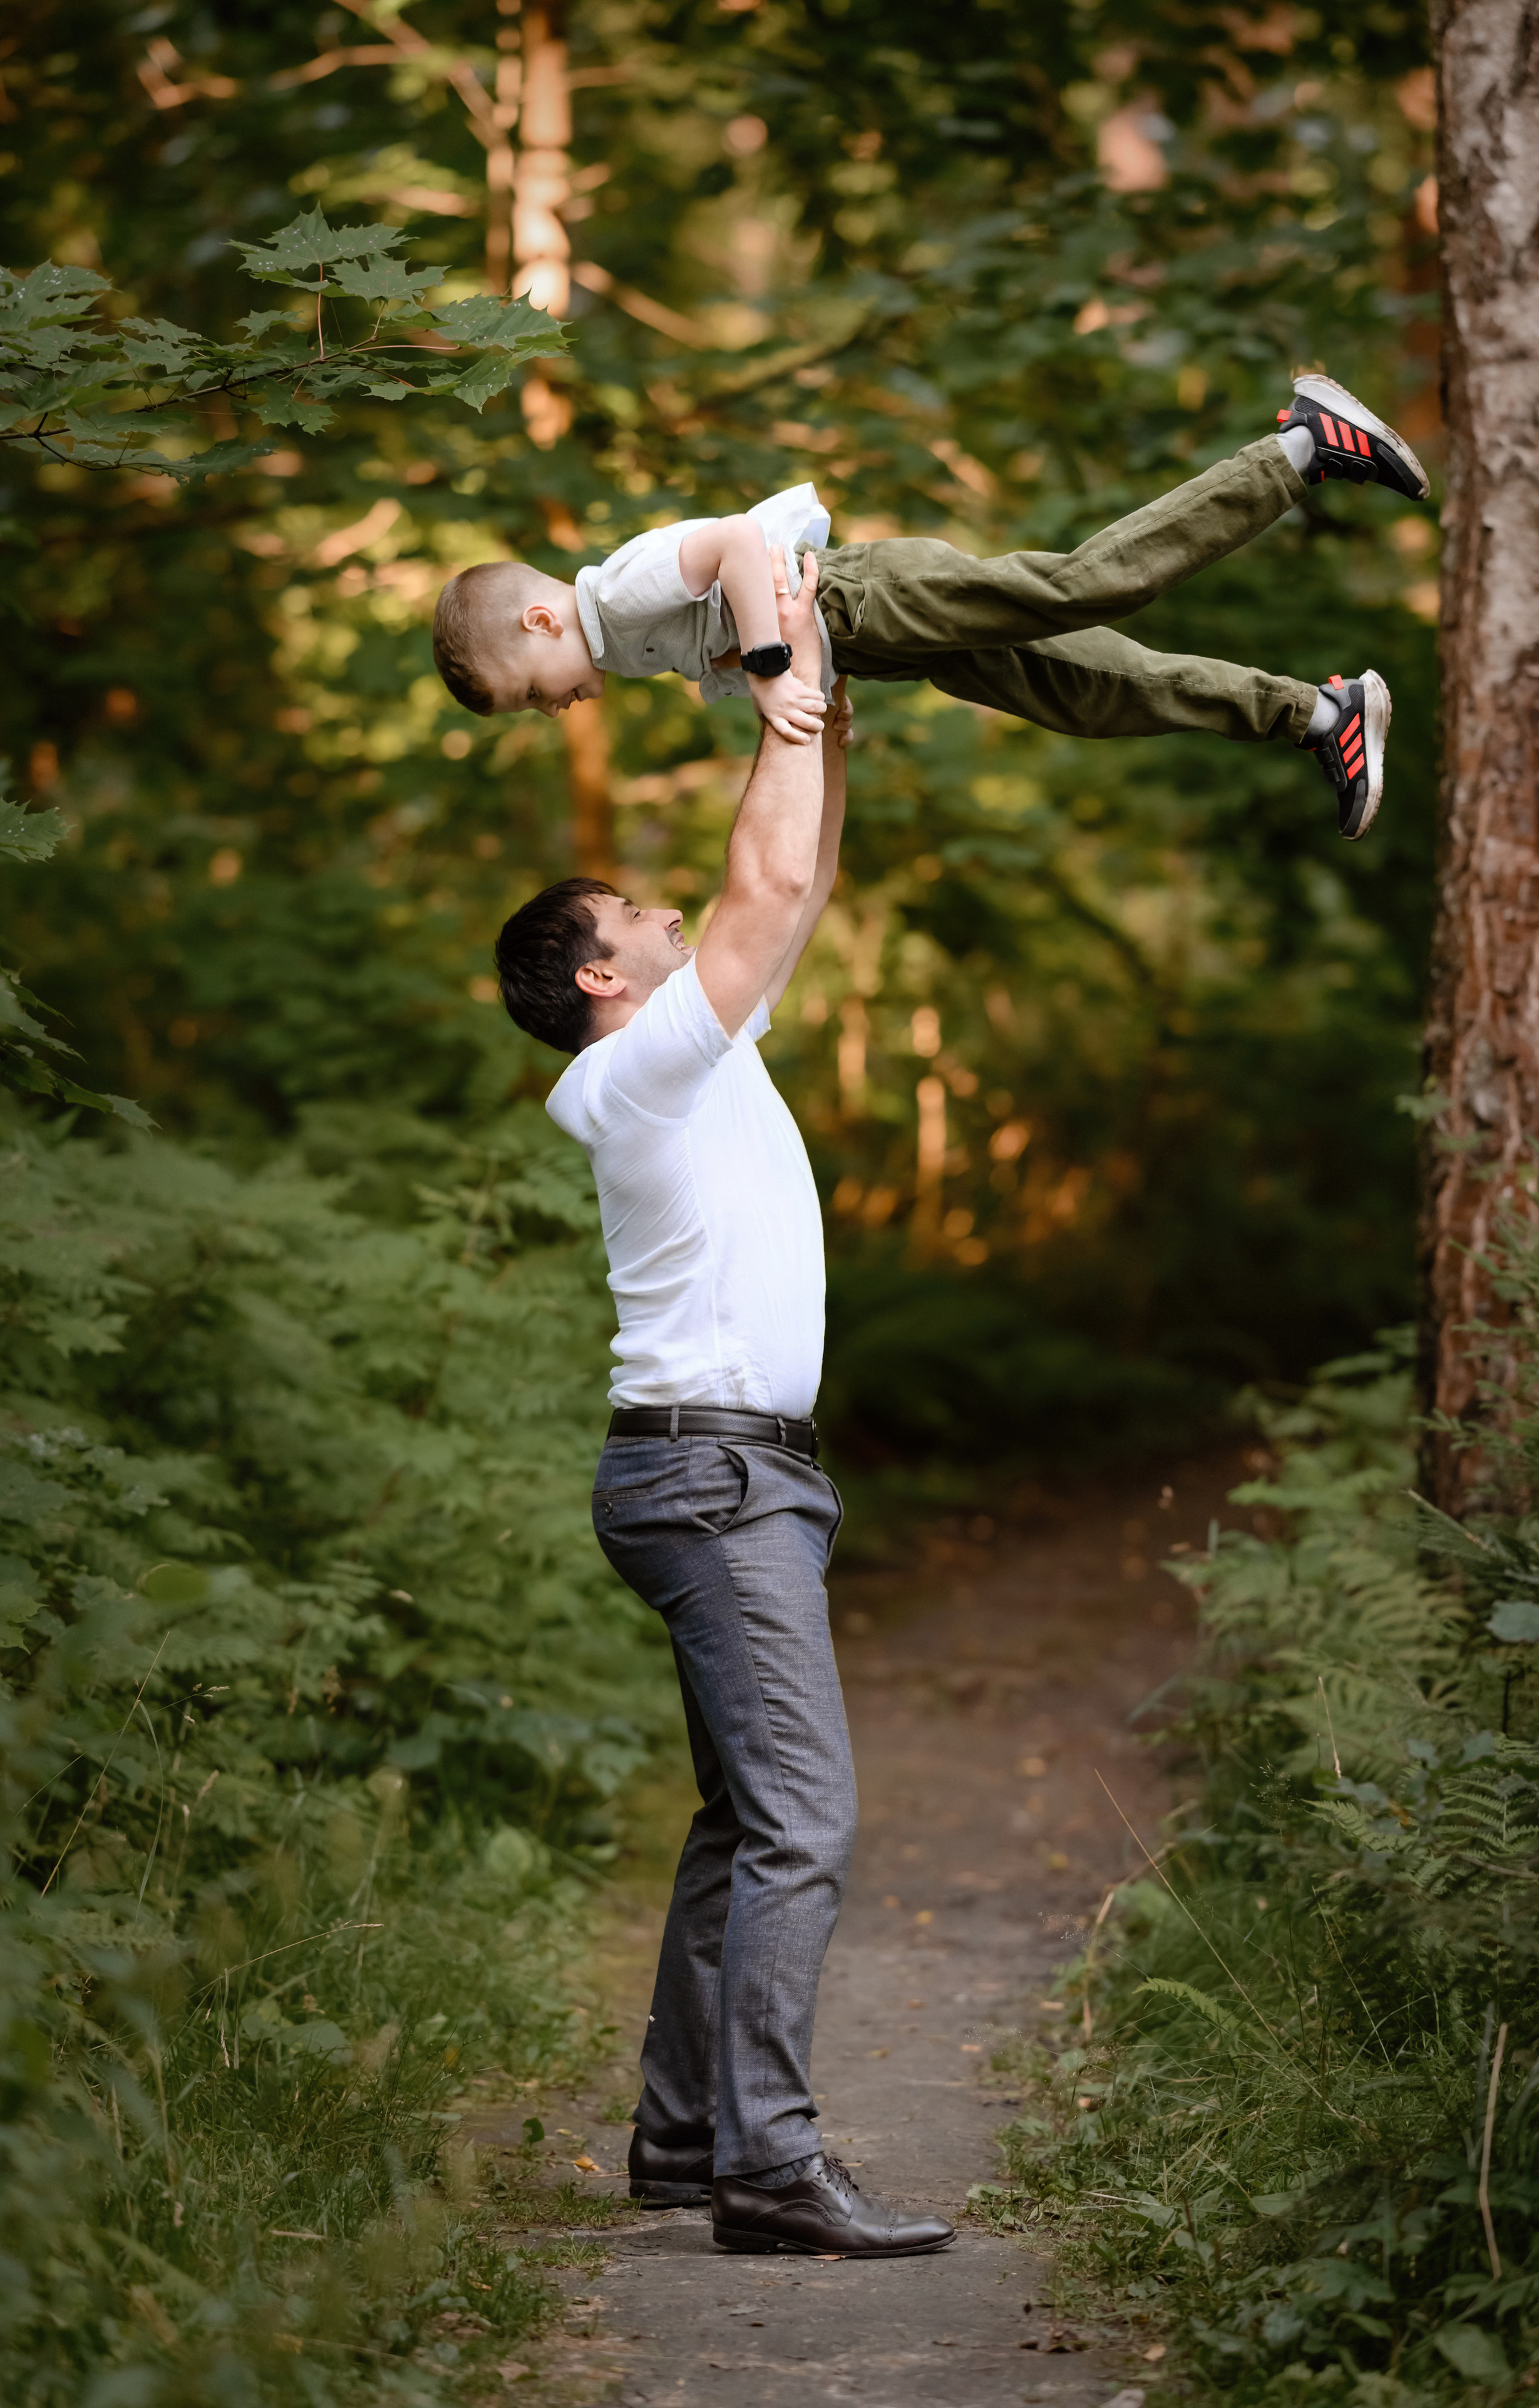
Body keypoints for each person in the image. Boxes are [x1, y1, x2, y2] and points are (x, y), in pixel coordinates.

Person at [493, 549, 954, 2259]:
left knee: (740, 1819)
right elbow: (755, 881)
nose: (669, 913)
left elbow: (794, 882)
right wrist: (771, 685)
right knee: (802, 1819)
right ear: (600, 979)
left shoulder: (693, 1054)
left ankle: (686, 2138)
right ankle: (769, 2167)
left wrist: (820, 681)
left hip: (727, 1480)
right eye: (637, 914)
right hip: (714, 1487)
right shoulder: (633, 1074)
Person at [433, 374, 1429, 844]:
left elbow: (735, 541)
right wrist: (791, 679)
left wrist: (773, 672)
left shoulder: (613, 593)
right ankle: (1321, 715)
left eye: (533, 694)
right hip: (873, 640)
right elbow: (738, 615)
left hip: (873, 597)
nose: (553, 709)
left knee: (1093, 583)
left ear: (539, 624)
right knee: (1086, 692)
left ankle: (1304, 446)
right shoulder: (624, 641)